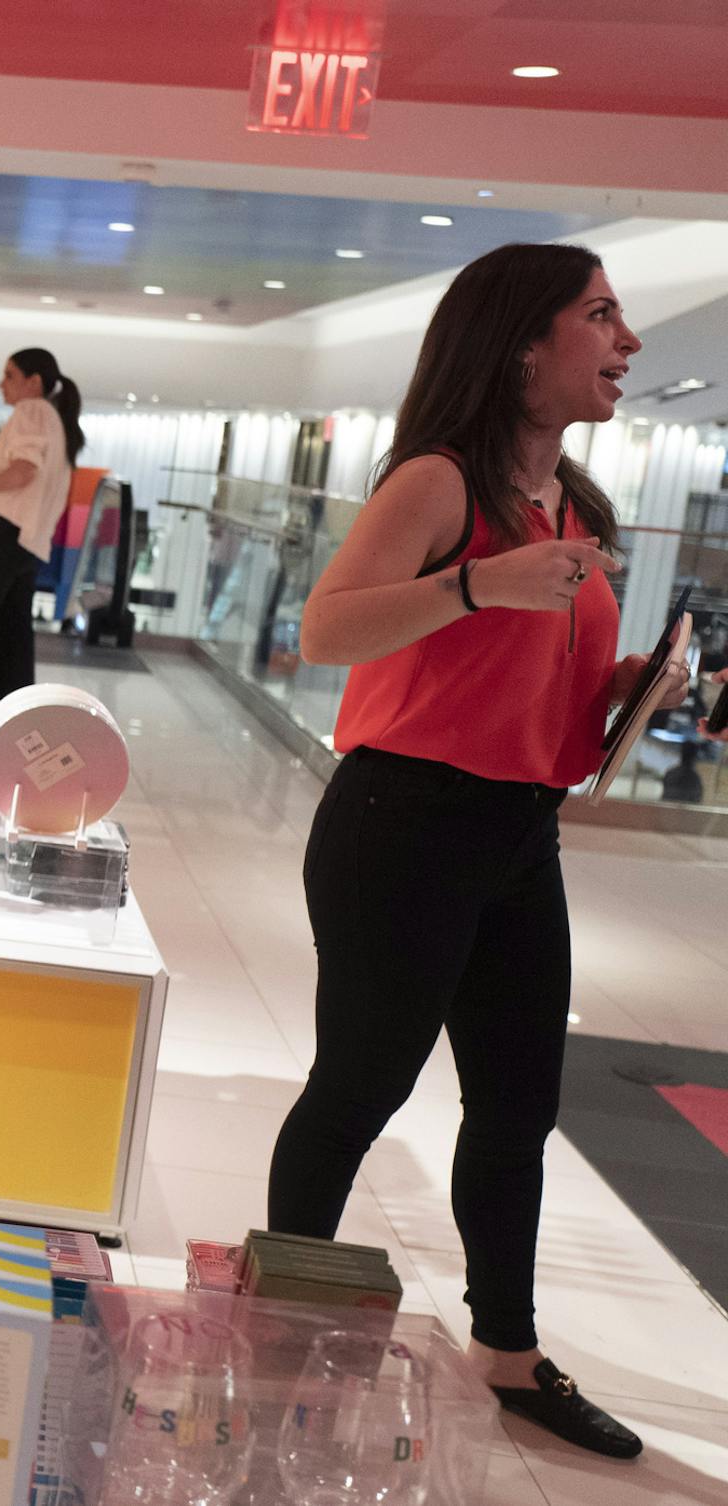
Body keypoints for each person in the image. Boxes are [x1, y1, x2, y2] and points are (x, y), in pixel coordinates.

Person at [265, 242, 728, 1459]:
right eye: (602, 317)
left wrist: (640, 685)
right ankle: (277, 1328)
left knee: (519, 1103)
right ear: (523, 342)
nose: (627, 344)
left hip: (519, 831)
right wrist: (480, 585)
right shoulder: (436, 482)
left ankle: (507, 1351)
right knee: (360, 1088)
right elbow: (327, 628)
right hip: (401, 823)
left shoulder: (579, 508)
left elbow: (545, 681)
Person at [0, 348, 84, 753]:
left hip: (9, 532)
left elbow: (25, 467)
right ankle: (11, 725)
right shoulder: (54, 420)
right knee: (12, 629)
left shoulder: (33, 411)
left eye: (9, 375)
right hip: (29, 540)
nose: (1, 383)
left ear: (34, 382)